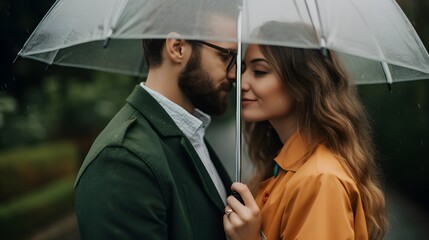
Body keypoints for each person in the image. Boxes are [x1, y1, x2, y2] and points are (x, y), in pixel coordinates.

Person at [74, 1, 239, 239]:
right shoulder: (121, 160)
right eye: (226, 56)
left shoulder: (190, 132)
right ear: (177, 48)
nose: (234, 74)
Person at [223, 21, 388, 240]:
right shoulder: (282, 168)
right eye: (244, 69)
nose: (241, 81)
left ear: (302, 85)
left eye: (260, 71)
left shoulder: (320, 180)